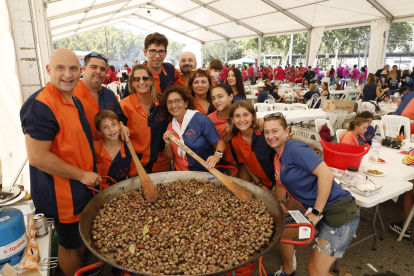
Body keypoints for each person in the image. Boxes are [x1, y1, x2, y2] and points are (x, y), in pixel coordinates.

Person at [20, 48, 101, 276]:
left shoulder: (72, 99)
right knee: (69, 245)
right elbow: (38, 157)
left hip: (81, 188)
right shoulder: (41, 105)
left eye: (73, 68)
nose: (68, 74)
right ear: (48, 70)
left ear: (80, 71)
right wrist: (83, 175)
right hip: (63, 193)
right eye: (60, 68)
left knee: (80, 238)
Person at [263, 113, 359, 276]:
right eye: (266, 132)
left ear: (286, 131)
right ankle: (288, 271)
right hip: (317, 212)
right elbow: (280, 183)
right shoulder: (278, 156)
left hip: (338, 213)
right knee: (280, 230)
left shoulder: (294, 148)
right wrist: (280, 202)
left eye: (275, 131)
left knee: (315, 272)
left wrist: (316, 212)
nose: (270, 136)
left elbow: (326, 175)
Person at [161, 86, 225, 171]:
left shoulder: (200, 119)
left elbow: (220, 143)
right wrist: (168, 145)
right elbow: (169, 158)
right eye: (169, 102)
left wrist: (217, 155)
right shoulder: (171, 126)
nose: (173, 105)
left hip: (203, 172)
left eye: (177, 101)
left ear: (186, 103)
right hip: (180, 174)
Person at [120, 64, 171, 173]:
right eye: (137, 79)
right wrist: (120, 125)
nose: (141, 82)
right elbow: (116, 126)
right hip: (137, 165)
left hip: (162, 163)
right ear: (132, 83)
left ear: (152, 81)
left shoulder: (163, 101)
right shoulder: (124, 105)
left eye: (145, 78)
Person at [73, 52, 128, 141]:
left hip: (108, 151)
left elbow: (118, 118)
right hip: (83, 150)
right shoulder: (72, 93)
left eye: (102, 69)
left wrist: (121, 125)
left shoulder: (110, 95)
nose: (98, 71)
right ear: (84, 69)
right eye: (93, 67)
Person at [229, 101, 276, 193]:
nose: (242, 119)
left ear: (253, 116)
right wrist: (259, 183)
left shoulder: (264, 132)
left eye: (245, 115)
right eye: (237, 116)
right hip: (262, 179)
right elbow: (245, 163)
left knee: (283, 204)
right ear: (232, 120)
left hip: (281, 177)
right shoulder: (235, 141)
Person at [123, 32, 186, 99]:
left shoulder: (170, 69)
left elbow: (183, 91)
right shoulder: (136, 75)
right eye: (153, 51)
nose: (157, 56)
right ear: (145, 52)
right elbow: (126, 103)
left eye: (161, 51)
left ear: (165, 53)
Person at [93, 110, 137, 191]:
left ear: (119, 125)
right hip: (99, 193)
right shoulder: (93, 148)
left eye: (114, 124)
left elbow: (132, 176)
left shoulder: (129, 148)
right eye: (105, 127)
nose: (111, 129)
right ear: (99, 132)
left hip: (121, 191)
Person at [208, 83, 240, 176]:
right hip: (225, 161)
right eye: (213, 98)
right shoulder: (210, 120)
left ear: (231, 96)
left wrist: (260, 120)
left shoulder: (241, 113)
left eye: (220, 97)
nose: (216, 101)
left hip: (245, 159)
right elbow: (213, 148)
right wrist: (228, 136)